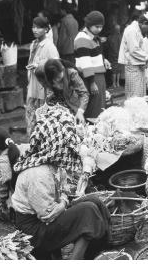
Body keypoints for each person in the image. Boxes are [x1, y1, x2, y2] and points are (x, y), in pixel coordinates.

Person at [12, 103, 111, 260]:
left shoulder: (55, 165)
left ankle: (95, 252)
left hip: (51, 211)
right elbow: (48, 215)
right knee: (88, 211)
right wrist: (64, 203)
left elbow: (64, 190)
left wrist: (63, 201)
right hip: (35, 231)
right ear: (54, 146)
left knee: (94, 201)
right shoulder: (38, 174)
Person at [25, 16, 59, 136]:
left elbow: (56, 67)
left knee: (43, 117)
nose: (35, 30)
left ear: (46, 29)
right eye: (33, 27)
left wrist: (40, 66)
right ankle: (32, 140)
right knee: (31, 115)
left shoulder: (50, 46)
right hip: (32, 85)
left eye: (38, 27)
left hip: (43, 87)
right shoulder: (33, 44)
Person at [74, 11, 111, 119]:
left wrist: (104, 60)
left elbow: (94, 53)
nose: (99, 29)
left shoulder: (93, 37)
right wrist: (92, 82)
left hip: (97, 76)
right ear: (89, 25)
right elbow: (86, 63)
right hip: (90, 77)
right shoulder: (82, 38)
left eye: (101, 27)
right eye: (97, 26)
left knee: (99, 107)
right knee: (93, 109)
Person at [35, 58, 89, 124]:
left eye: (58, 77)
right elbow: (47, 90)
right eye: (54, 79)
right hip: (55, 107)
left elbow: (84, 93)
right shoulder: (46, 73)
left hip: (72, 105)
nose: (57, 80)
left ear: (62, 69)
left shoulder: (71, 73)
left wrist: (80, 111)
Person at [118, 11, 148, 98]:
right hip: (132, 66)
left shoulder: (137, 30)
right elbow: (134, 50)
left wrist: (145, 61)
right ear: (144, 23)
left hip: (138, 66)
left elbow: (139, 49)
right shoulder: (132, 30)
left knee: (140, 94)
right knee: (134, 95)